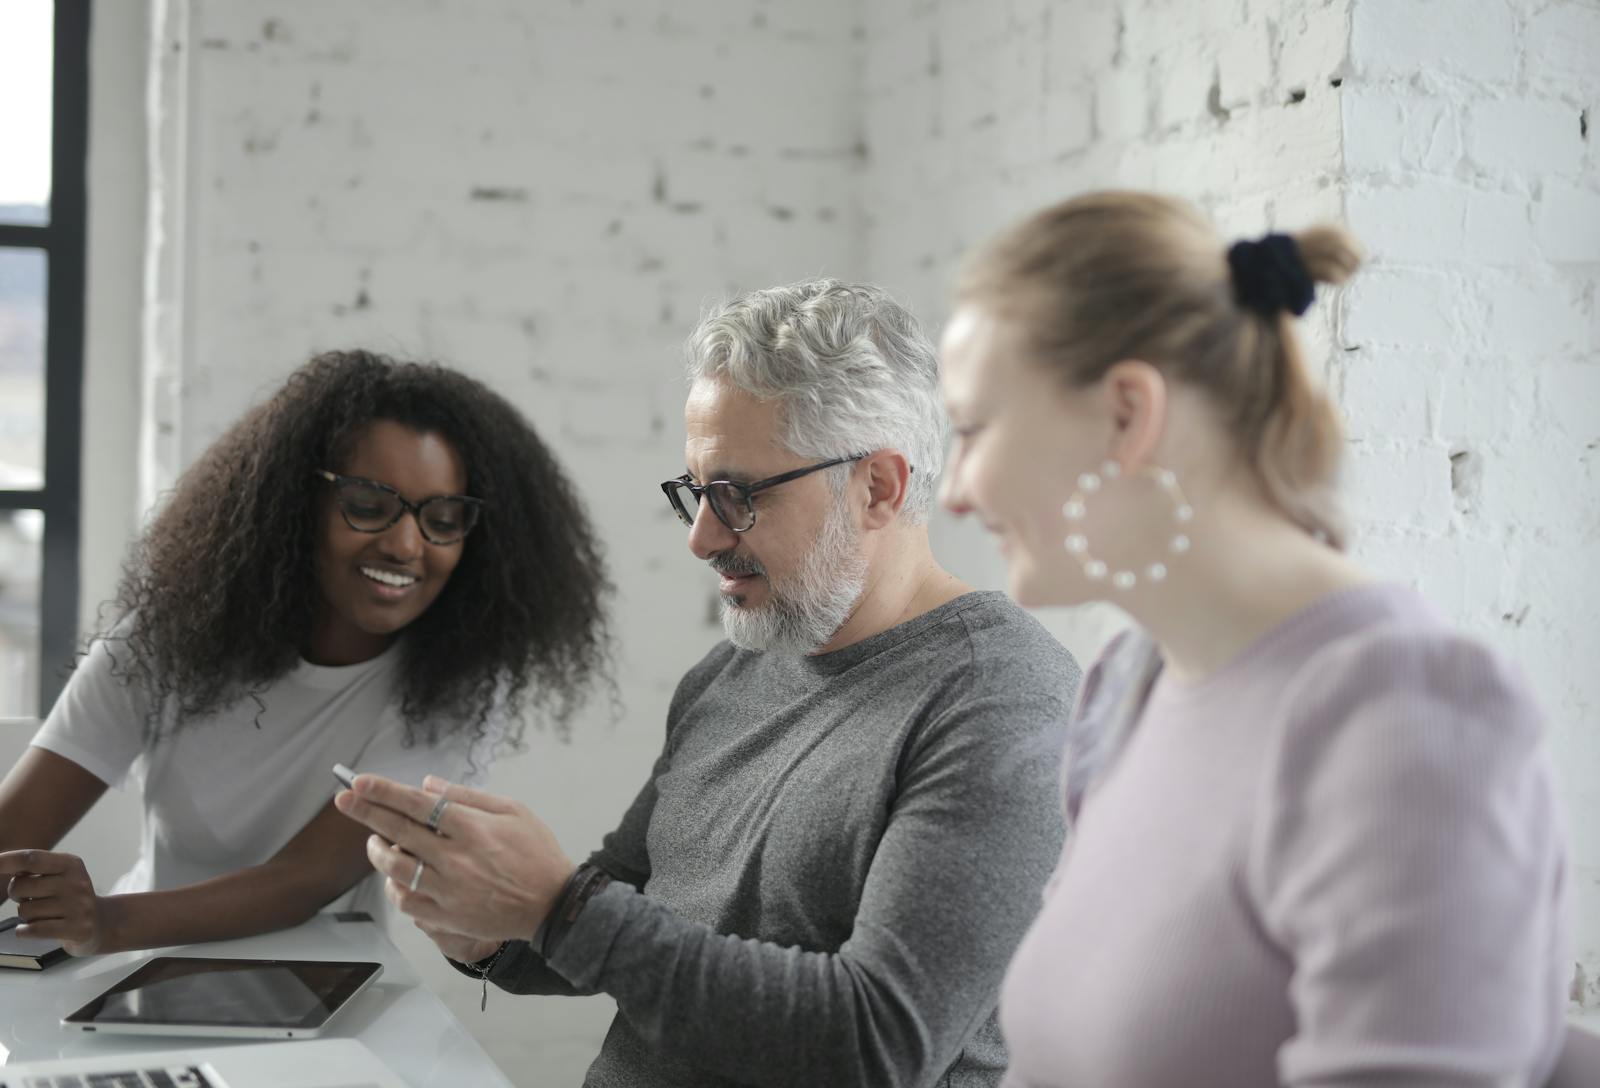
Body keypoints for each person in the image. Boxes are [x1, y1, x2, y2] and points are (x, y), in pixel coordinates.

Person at [337, 280, 1080, 1087]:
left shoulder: (1000, 700)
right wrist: (493, 927)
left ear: (879, 488)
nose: (700, 537)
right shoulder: (733, 670)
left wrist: (558, 906)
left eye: (737, 496)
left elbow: (876, 1042)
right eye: (695, 492)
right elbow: (638, 912)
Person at [936, 191, 1571, 1087]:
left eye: (971, 430)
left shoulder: (1404, 717)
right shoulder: (1126, 688)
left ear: (1127, 414)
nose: (955, 491)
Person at [0, 350, 610, 956]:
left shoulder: (452, 688)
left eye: (443, 519)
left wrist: (106, 923)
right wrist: (87, 921)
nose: (405, 545)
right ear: (295, 506)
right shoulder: (164, 643)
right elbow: (12, 834)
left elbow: (302, 881)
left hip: (329, 985)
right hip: (138, 976)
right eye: (368, 506)